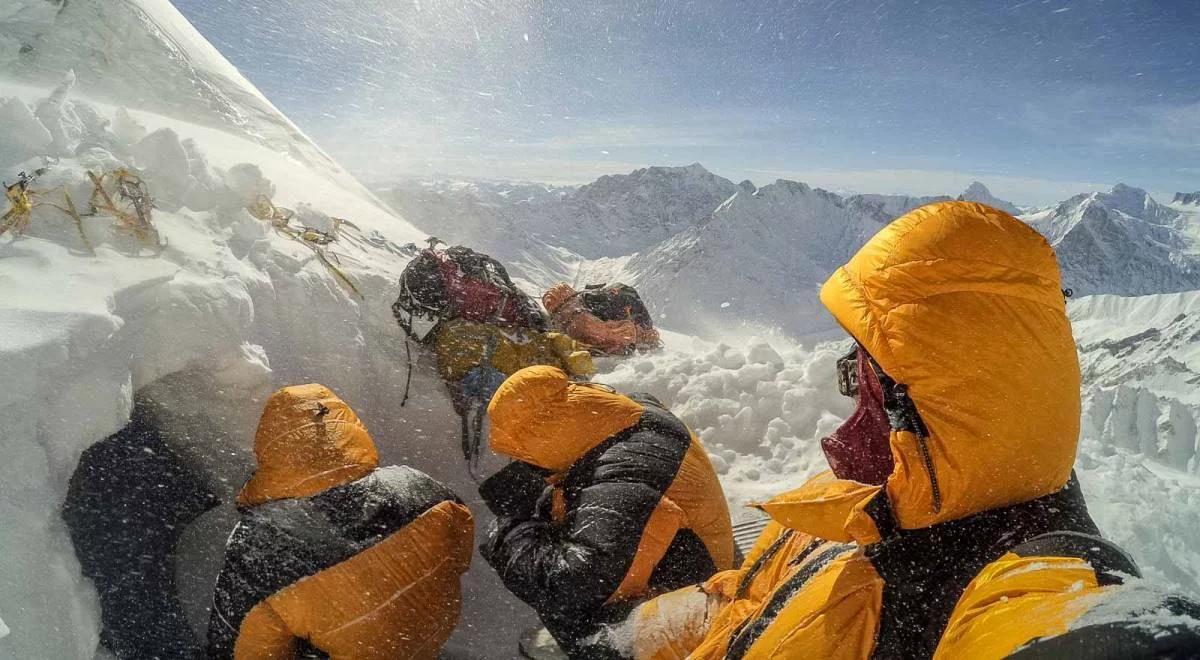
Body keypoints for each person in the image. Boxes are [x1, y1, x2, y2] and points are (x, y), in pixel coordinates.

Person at [608, 201, 1200, 659]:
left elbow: (1084, 631)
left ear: (925, 401)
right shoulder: (870, 502)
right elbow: (744, 604)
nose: (849, 418)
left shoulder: (1027, 571)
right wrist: (626, 640)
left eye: (858, 375)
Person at [478, 365, 736, 658]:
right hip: (694, 552)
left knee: (570, 616)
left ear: (548, 442)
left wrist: (509, 533)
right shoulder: (628, 413)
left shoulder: (623, 478)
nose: (525, 465)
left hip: (696, 599)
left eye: (527, 457)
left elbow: (573, 585)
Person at [207, 384, 473, 660]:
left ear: (270, 446)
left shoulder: (262, 545)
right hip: (426, 640)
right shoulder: (419, 487)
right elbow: (460, 555)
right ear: (347, 426)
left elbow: (238, 649)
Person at [542, 282, 661, 356]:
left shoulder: (591, 314)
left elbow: (623, 337)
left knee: (645, 337)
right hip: (625, 300)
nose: (563, 318)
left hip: (628, 306)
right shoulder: (579, 314)